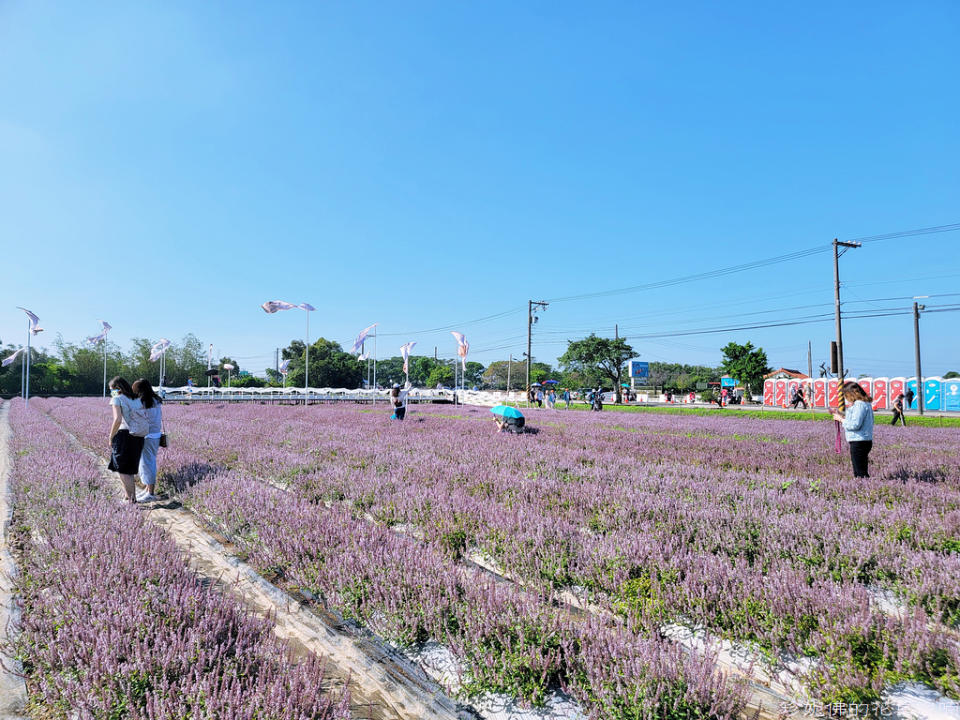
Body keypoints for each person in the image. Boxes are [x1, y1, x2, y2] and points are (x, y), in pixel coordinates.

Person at [107, 376, 147, 503]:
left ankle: (131, 500)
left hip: (124, 436)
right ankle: (128, 496)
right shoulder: (136, 399)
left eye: (111, 389)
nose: (111, 392)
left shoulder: (117, 399)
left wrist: (111, 436)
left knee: (123, 470)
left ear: (117, 388)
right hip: (139, 436)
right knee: (129, 469)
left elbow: (118, 420)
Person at [833, 381, 875, 478]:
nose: (846, 398)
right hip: (864, 440)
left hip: (859, 441)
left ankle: (864, 488)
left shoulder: (859, 405)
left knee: (859, 472)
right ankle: (865, 486)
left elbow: (855, 425)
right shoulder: (865, 404)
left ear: (852, 394)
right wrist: (843, 417)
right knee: (861, 469)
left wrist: (841, 419)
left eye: (846, 395)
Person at [133, 378, 163, 502]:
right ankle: (147, 489)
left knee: (147, 464)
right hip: (155, 435)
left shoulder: (142, 402)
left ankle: (150, 492)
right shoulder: (155, 400)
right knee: (147, 462)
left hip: (146, 436)